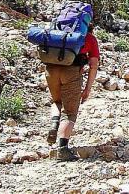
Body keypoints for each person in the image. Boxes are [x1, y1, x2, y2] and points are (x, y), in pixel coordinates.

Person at [45, 24, 100, 161]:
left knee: (57, 101)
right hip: (71, 72)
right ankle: (62, 149)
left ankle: (54, 124)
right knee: (70, 112)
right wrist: (87, 88)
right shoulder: (89, 38)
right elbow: (93, 65)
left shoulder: (57, 32)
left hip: (51, 70)